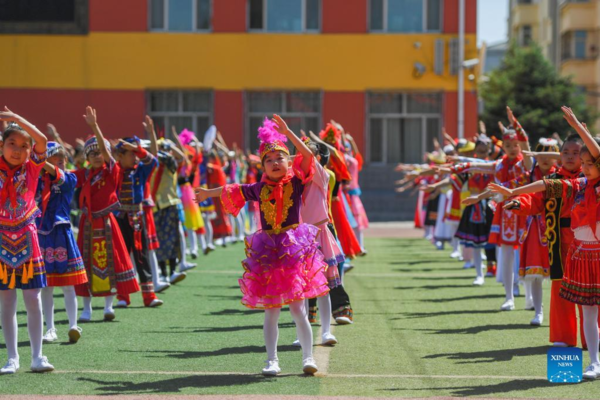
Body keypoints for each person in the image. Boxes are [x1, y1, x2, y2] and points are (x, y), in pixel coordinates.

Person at [196, 115, 329, 376]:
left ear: (288, 162)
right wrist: (206, 194)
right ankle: (272, 360)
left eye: (280, 158)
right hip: (268, 252)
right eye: (269, 160)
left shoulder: (295, 182)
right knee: (271, 311)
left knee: (298, 309)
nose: (275, 163)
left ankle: (307, 357)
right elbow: (232, 189)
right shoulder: (258, 188)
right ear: (262, 166)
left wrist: (288, 133)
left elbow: (308, 157)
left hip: (293, 249)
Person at [0, 108, 54, 373]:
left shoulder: (32, 168)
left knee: (33, 299)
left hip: (27, 237)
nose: (18, 150)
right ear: (2, 145)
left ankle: (37, 357)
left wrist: (20, 120)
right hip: (1, 239)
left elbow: (42, 141)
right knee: (7, 300)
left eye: (24, 145)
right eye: (12, 144)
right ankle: (12, 358)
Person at [75, 107, 140, 322]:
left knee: (111, 261)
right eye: (91, 153)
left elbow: (105, 149)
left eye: (98, 152)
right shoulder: (84, 174)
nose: (96, 156)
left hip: (107, 222)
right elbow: (60, 175)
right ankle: (86, 309)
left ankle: (108, 307)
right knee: (84, 262)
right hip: (88, 222)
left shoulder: (112, 170)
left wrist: (94, 126)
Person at [38, 141, 87, 344]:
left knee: (68, 285)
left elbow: (58, 175)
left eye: (63, 158)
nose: (61, 161)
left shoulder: (70, 177)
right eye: (56, 158)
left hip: (62, 233)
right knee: (46, 286)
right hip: (42, 234)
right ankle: (50, 328)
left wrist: (40, 160)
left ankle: (73, 325)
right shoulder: (38, 181)